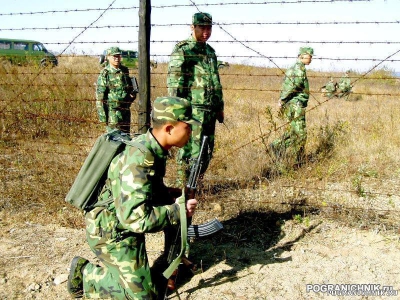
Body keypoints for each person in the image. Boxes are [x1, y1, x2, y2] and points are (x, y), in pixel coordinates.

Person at [67, 96, 200, 299]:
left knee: (155, 286)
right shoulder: (140, 159)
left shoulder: (153, 147)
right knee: (146, 297)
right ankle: (87, 275)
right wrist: (177, 210)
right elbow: (136, 220)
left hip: (122, 222)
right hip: (111, 232)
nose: (191, 132)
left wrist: (169, 195)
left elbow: (146, 190)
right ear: (169, 129)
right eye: (187, 127)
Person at [167, 12, 224, 183]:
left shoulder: (210, 51)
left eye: (209, 28)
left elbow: (216, 81)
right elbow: (175, 82)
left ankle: (196, 185)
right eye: (202, 28)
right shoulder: (184, 49)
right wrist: (176, 111)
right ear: (193, 27)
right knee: (190, 150)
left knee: (206, 151)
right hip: (192, 109)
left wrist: (220, 107)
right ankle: (182, 189)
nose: (206, 32)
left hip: (209, 110)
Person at [270, 46, 314, 165]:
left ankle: (279, 146)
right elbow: (292, 86)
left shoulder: (296, 67)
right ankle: (297, 161)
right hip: (296, 105)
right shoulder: (299, 68)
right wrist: (282, 100)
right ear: (302, 55)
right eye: (309, 56)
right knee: (301, 134)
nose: (311, 58)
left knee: (295, 132)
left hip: (293, 104)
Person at [96, 46, 136, 134]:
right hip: (113, 112)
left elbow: (128, 88)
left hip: (125, 110)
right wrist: (103, 118)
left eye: (118, 56)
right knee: (114, 138)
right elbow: (100, 97)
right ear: (108, 57)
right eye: (114, 56)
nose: (117, 59)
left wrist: (132, 96)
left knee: (126, 137)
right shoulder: (105, 73)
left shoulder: (124, 70)